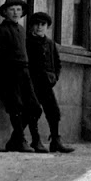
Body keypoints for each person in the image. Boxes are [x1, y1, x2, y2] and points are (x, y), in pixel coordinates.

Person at [0, 0, 41, 153]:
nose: (16, 12)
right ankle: (21, 140)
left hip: (24, 71)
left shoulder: (22, 30)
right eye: (12, 9)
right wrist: (5, 72)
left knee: (35, 107)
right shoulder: (1, 31)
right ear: (5, 12)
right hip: (10, 73)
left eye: (18, 9)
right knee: (16, 106)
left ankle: (18, 140)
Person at [25, 12, 73, 153]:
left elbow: (57, 63)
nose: (39, 27)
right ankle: (35, 140)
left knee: (54, 111)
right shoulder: (27, 42)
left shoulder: (50, 44)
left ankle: (56, 141)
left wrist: (55, 77)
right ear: (32, 26)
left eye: (43, 25)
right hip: (32, 84)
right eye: (36, 24)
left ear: (47, 27)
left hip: (46, 84)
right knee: (33, 111)